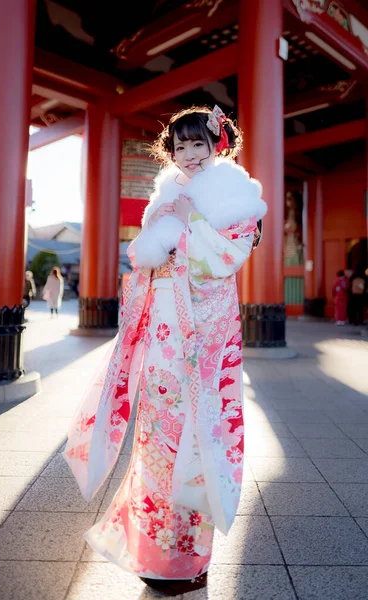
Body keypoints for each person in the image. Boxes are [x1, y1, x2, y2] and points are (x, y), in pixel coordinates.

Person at [63, 105, 267, 595]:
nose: (190, 155)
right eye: (180, 147)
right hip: (164, 340)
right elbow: (144, 262)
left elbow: (226, 260)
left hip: (203, 341)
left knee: (197, 440)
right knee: (156, 442)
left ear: (218, 143)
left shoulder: (237, 197)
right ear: (170, 152)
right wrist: (161, 237)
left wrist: (187, 222)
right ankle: (156, 559)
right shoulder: (165, 195)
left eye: (199, 143)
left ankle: (190, 562)